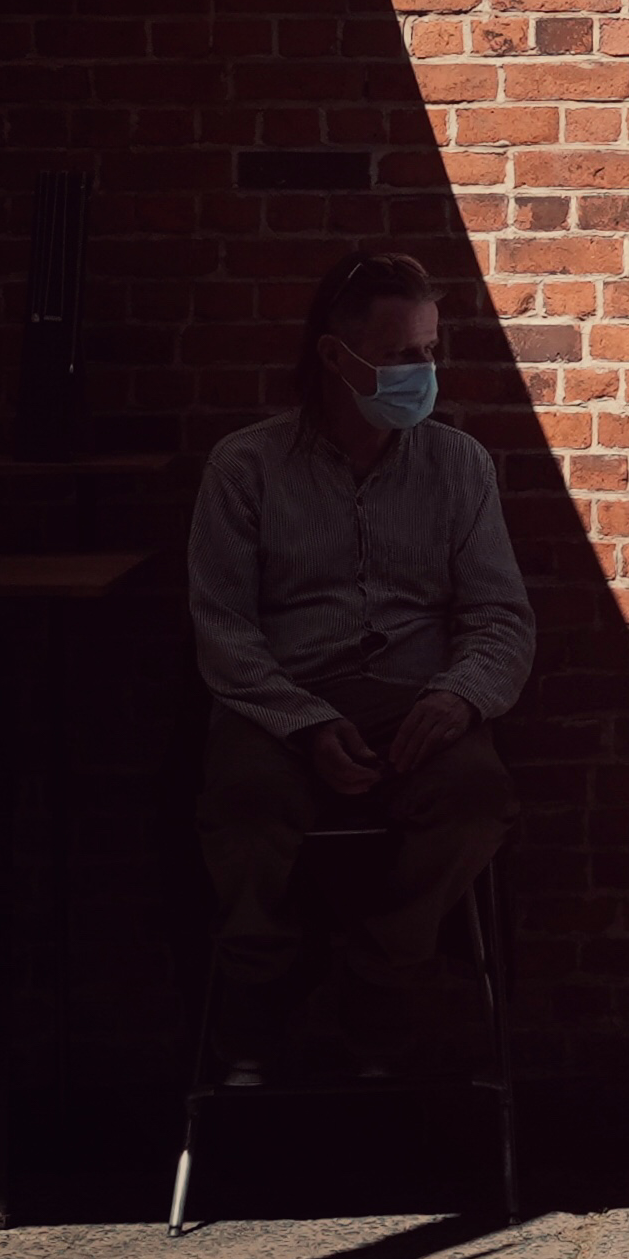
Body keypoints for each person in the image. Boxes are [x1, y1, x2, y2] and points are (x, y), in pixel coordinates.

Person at [189, 251, 533, 1084]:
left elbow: (499, 615)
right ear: (335, 357)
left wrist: (459, 698)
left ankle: (381, 978)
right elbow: (222, 626)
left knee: (476, 799)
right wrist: (304, 724)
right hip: (282, 702)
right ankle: (260, 990)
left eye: (428, 351)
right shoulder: (246, 467)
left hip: (417, 702)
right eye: (399, 354)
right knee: (242, 801)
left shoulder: (458, 465)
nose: (421, 372)